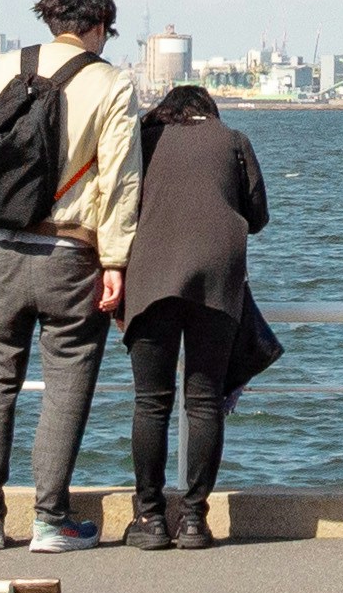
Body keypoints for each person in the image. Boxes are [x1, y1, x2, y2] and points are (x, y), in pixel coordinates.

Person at [0, 0, 148, 553]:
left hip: (7, 246)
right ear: (99, 25)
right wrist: (116, 260)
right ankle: (49, 521)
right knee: (65, 386)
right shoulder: (110, 84)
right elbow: (119, 183)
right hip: (72, 256)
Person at [116, 75, 277, 551]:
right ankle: (193, 521)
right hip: (216, 281)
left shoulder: (144, 138)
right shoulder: (233, 141)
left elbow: (117, 204)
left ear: (167, 109)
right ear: (208, 110)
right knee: (203, 401)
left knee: (152, 401)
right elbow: (259, 217)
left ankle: (149, 520)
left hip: (149, 279)